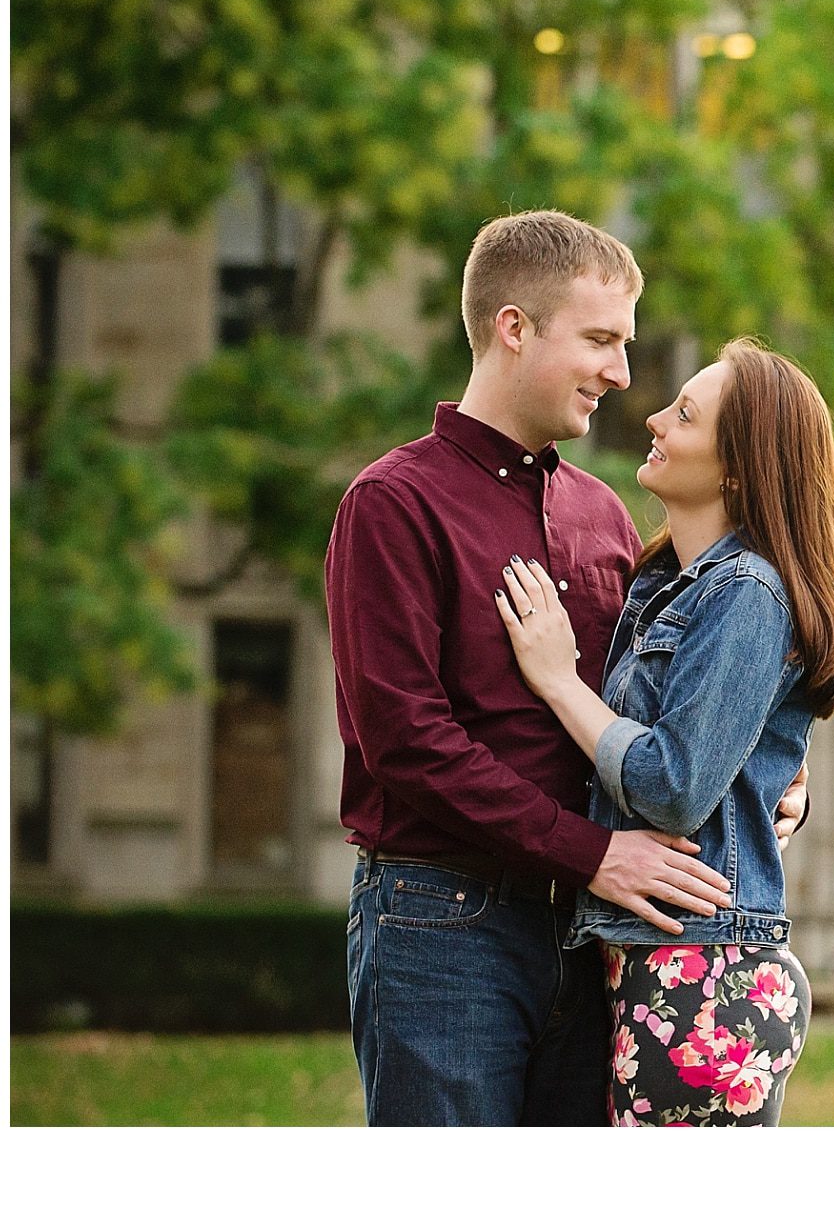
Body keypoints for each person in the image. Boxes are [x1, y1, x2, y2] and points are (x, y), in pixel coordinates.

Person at [327, 210, 808, 1126]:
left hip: (599, 940)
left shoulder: (606, 515)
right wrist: (596, 854)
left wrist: (773, 782)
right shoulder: (393, 505)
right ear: (514, 328)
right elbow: (406, 744)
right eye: (600, 340)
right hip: (443, 922)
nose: (622, 375)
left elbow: (675, 703)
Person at [495, 336, 834, 1126]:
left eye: (686, 414)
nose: (655, 418)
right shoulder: (668, 586)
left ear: (737, 466)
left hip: (703, 980)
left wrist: (559, 680)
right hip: (656, 968)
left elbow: (673, 785)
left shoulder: (748, 592)